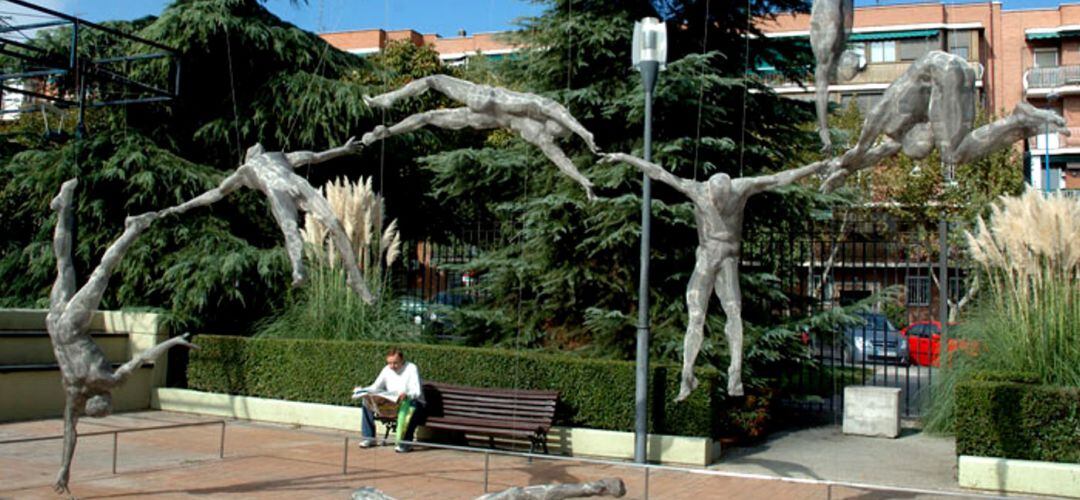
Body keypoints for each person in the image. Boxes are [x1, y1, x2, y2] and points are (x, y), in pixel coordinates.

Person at [601, 153, 837, 401]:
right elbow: (659, 173)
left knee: (733, 311)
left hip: (728, 259)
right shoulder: (698, 190)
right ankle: (687, 373)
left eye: (723, 200)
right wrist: (624, 158)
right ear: (710, 191)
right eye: (716, 200)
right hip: (706, 257)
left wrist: (814, 166)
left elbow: (779, 179)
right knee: (696, 315)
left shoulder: (741, 188)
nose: (720, 205)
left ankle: (735, 371)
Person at [159, 138, 374, 303]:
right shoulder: (244, 171)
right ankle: (298, 267)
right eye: (251, 149)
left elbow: (314, 156)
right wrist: (183, 206)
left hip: (296, 183)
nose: (255, 145)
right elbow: (215, 193)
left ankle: (354, 277)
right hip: (277, 190)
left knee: (334, 224)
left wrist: (343, 150)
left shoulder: (280, 156)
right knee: (290, 229)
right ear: (247, 157)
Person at [824, 50, 1068, 191]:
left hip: (942, 71)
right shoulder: (901, 132)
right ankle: (1018, 122)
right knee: (959, 147)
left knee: (953, 154)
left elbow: (857, 152)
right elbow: (875, 156)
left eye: (927, 139)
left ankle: (1019, 120)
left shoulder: (878, 117)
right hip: (961, 70)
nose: (933, 136)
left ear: (915, 133)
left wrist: (838, 166)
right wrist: (846, 173)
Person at [362, 75, 600, 201]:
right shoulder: (533, 114)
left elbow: (559, 157)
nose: (556, 133)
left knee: (430, 108)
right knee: (429, 111)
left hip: (483, 108)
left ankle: (388, 127)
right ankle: (388, 109)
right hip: (487, 106)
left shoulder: (537, 123)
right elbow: (560, 118)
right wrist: (584, 133)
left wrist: (581, 179)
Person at [810, 0, 860, 152]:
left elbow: (821, 93)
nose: (854, 61)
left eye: (853, 66)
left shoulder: (825, 57)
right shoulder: (842, 41)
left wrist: (823, 129)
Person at [355, 347, 426, 453]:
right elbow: (376, 386)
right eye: (390, 363)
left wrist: (407, 395)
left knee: (411, 406)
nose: (392, 366)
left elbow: (416, 392)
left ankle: (405, 443)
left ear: (402, 360)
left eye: (395, 363)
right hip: (393, 403)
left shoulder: (411, 368)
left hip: (412, 403)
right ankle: (369, 438)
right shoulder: (387, 369)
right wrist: (363, 390)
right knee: (366, 402)